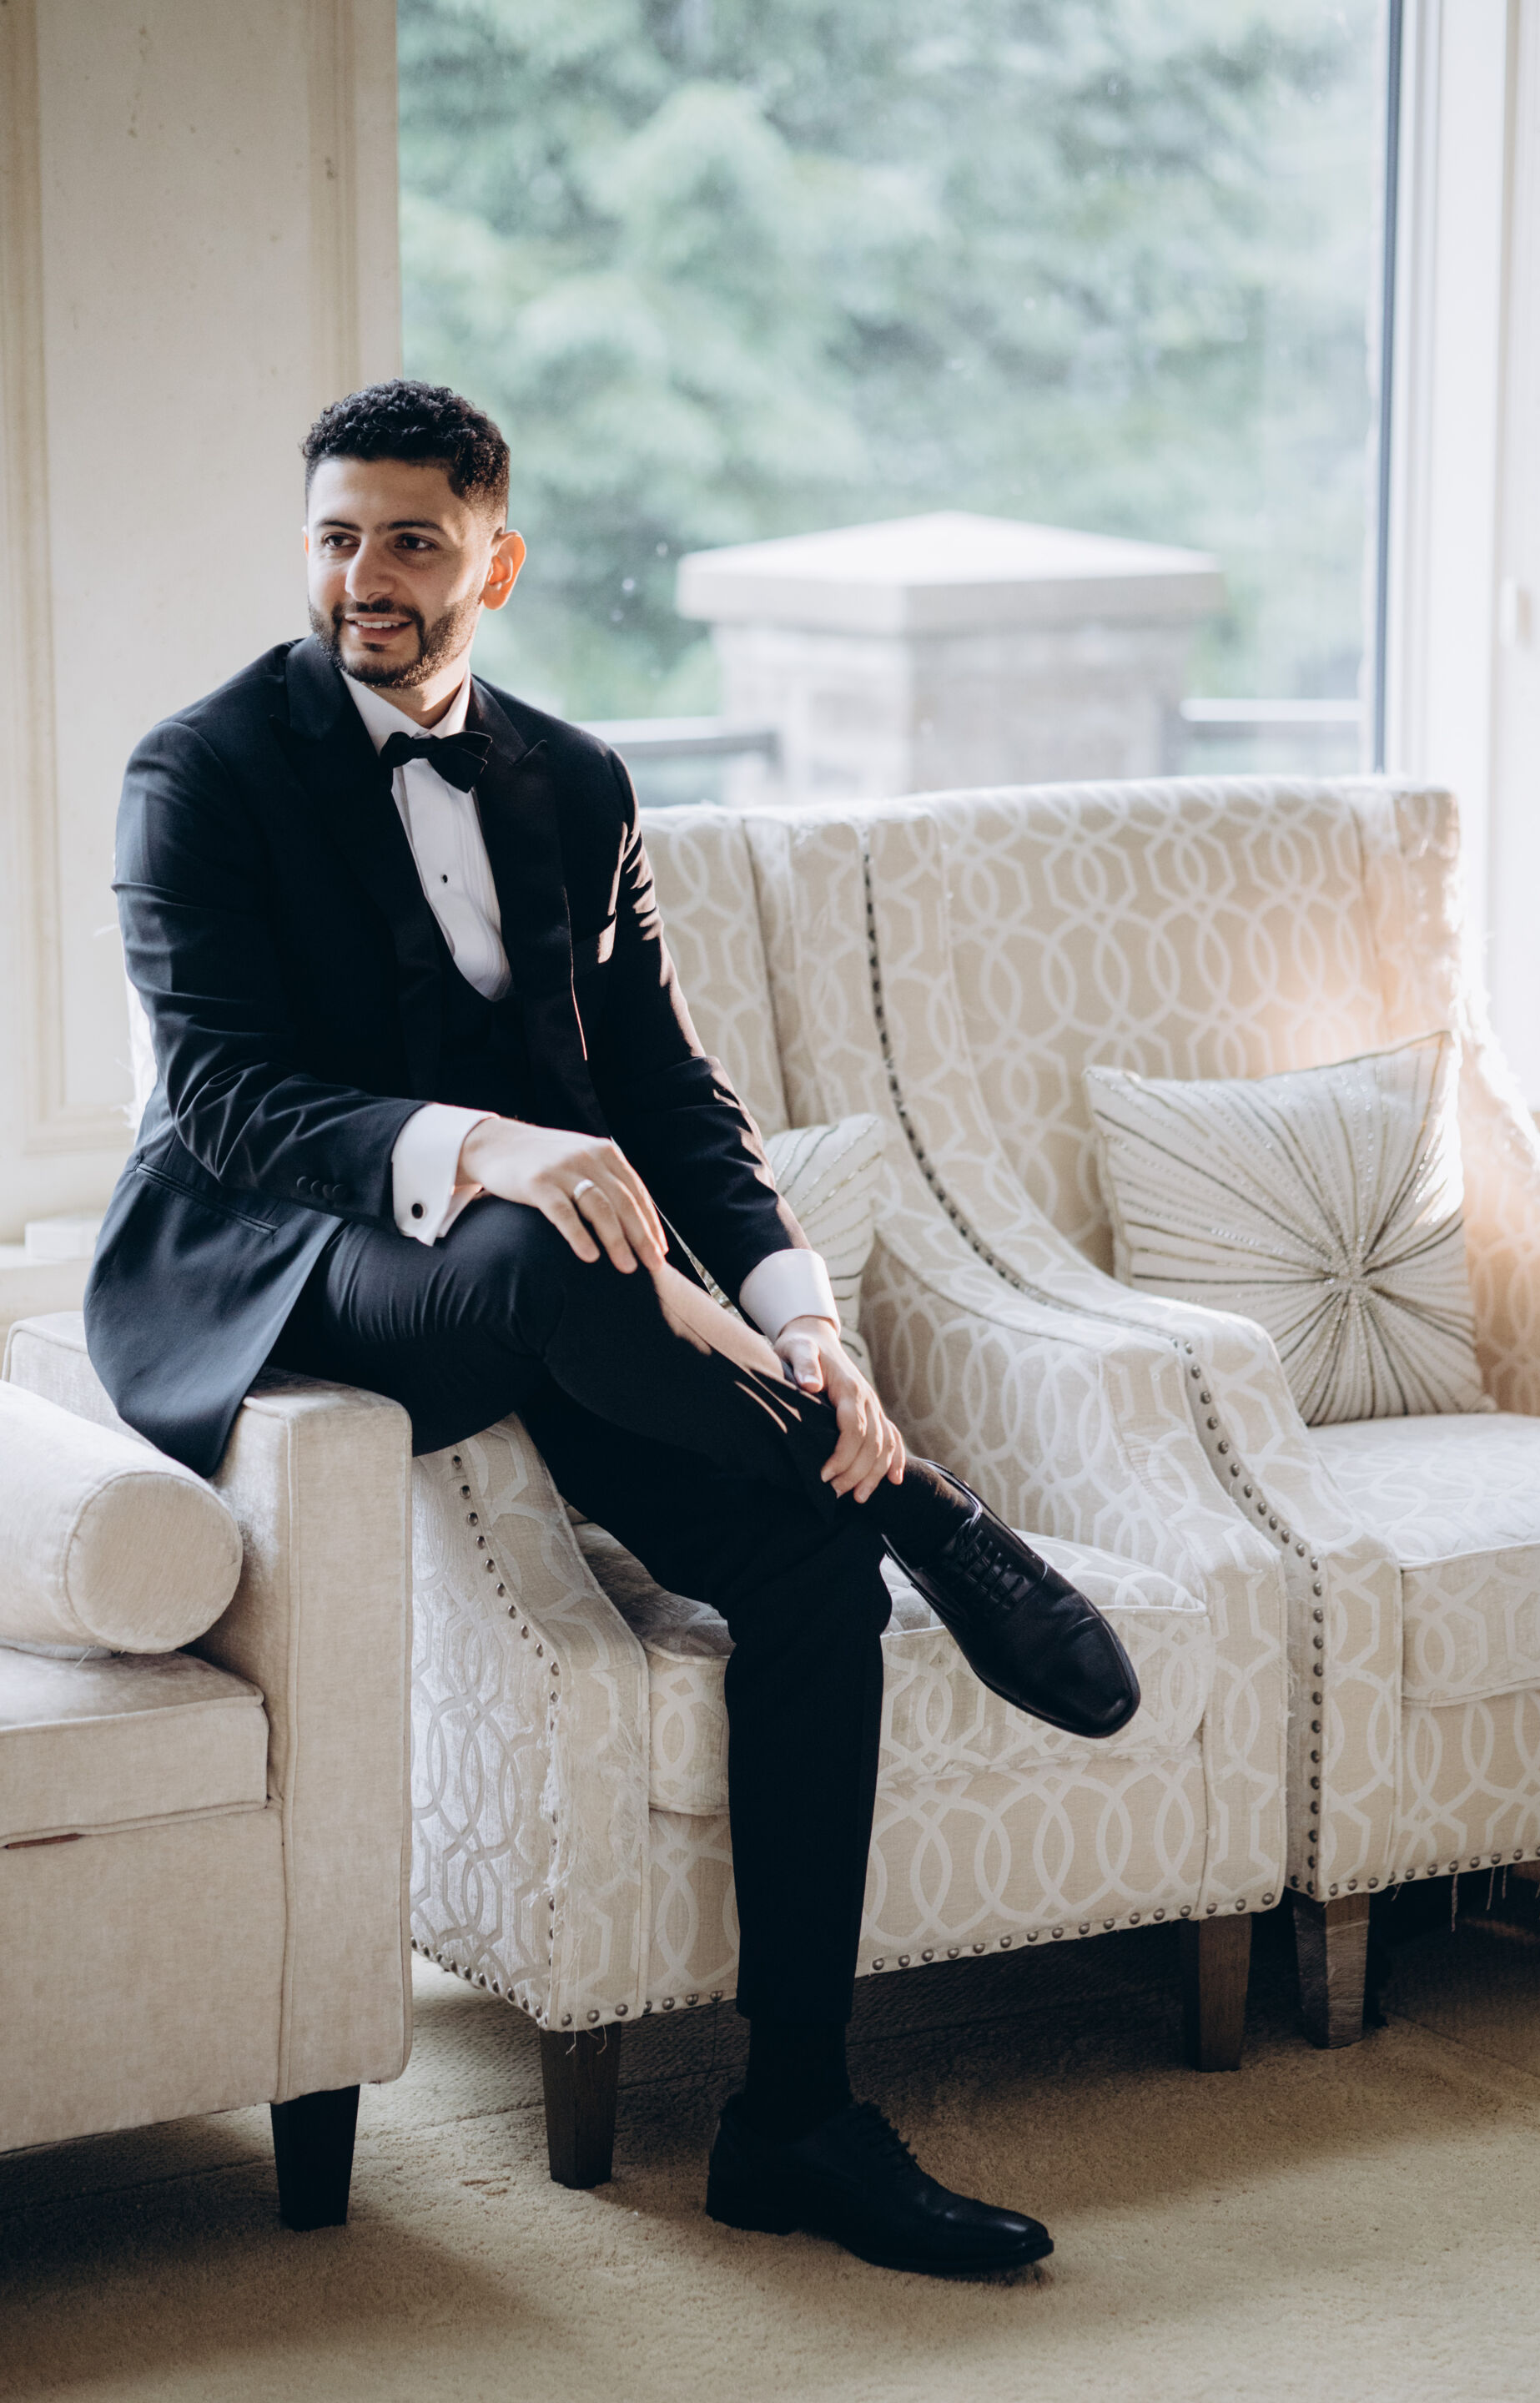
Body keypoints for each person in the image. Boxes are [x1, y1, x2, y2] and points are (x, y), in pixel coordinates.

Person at [87, 380, 1140, 2277]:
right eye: (337, 536)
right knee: (548, 1240)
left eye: (413, 540)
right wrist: (492, 1146)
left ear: (494, 562)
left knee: (806, 1575)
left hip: (571, 1295)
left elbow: (665, 1089)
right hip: (292, 1264)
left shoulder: (576, 781)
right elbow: (229, 1101)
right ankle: (929, 1510)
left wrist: (808, 1327)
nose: (365, 576)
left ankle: (794, 2119)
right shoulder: (200, 771)